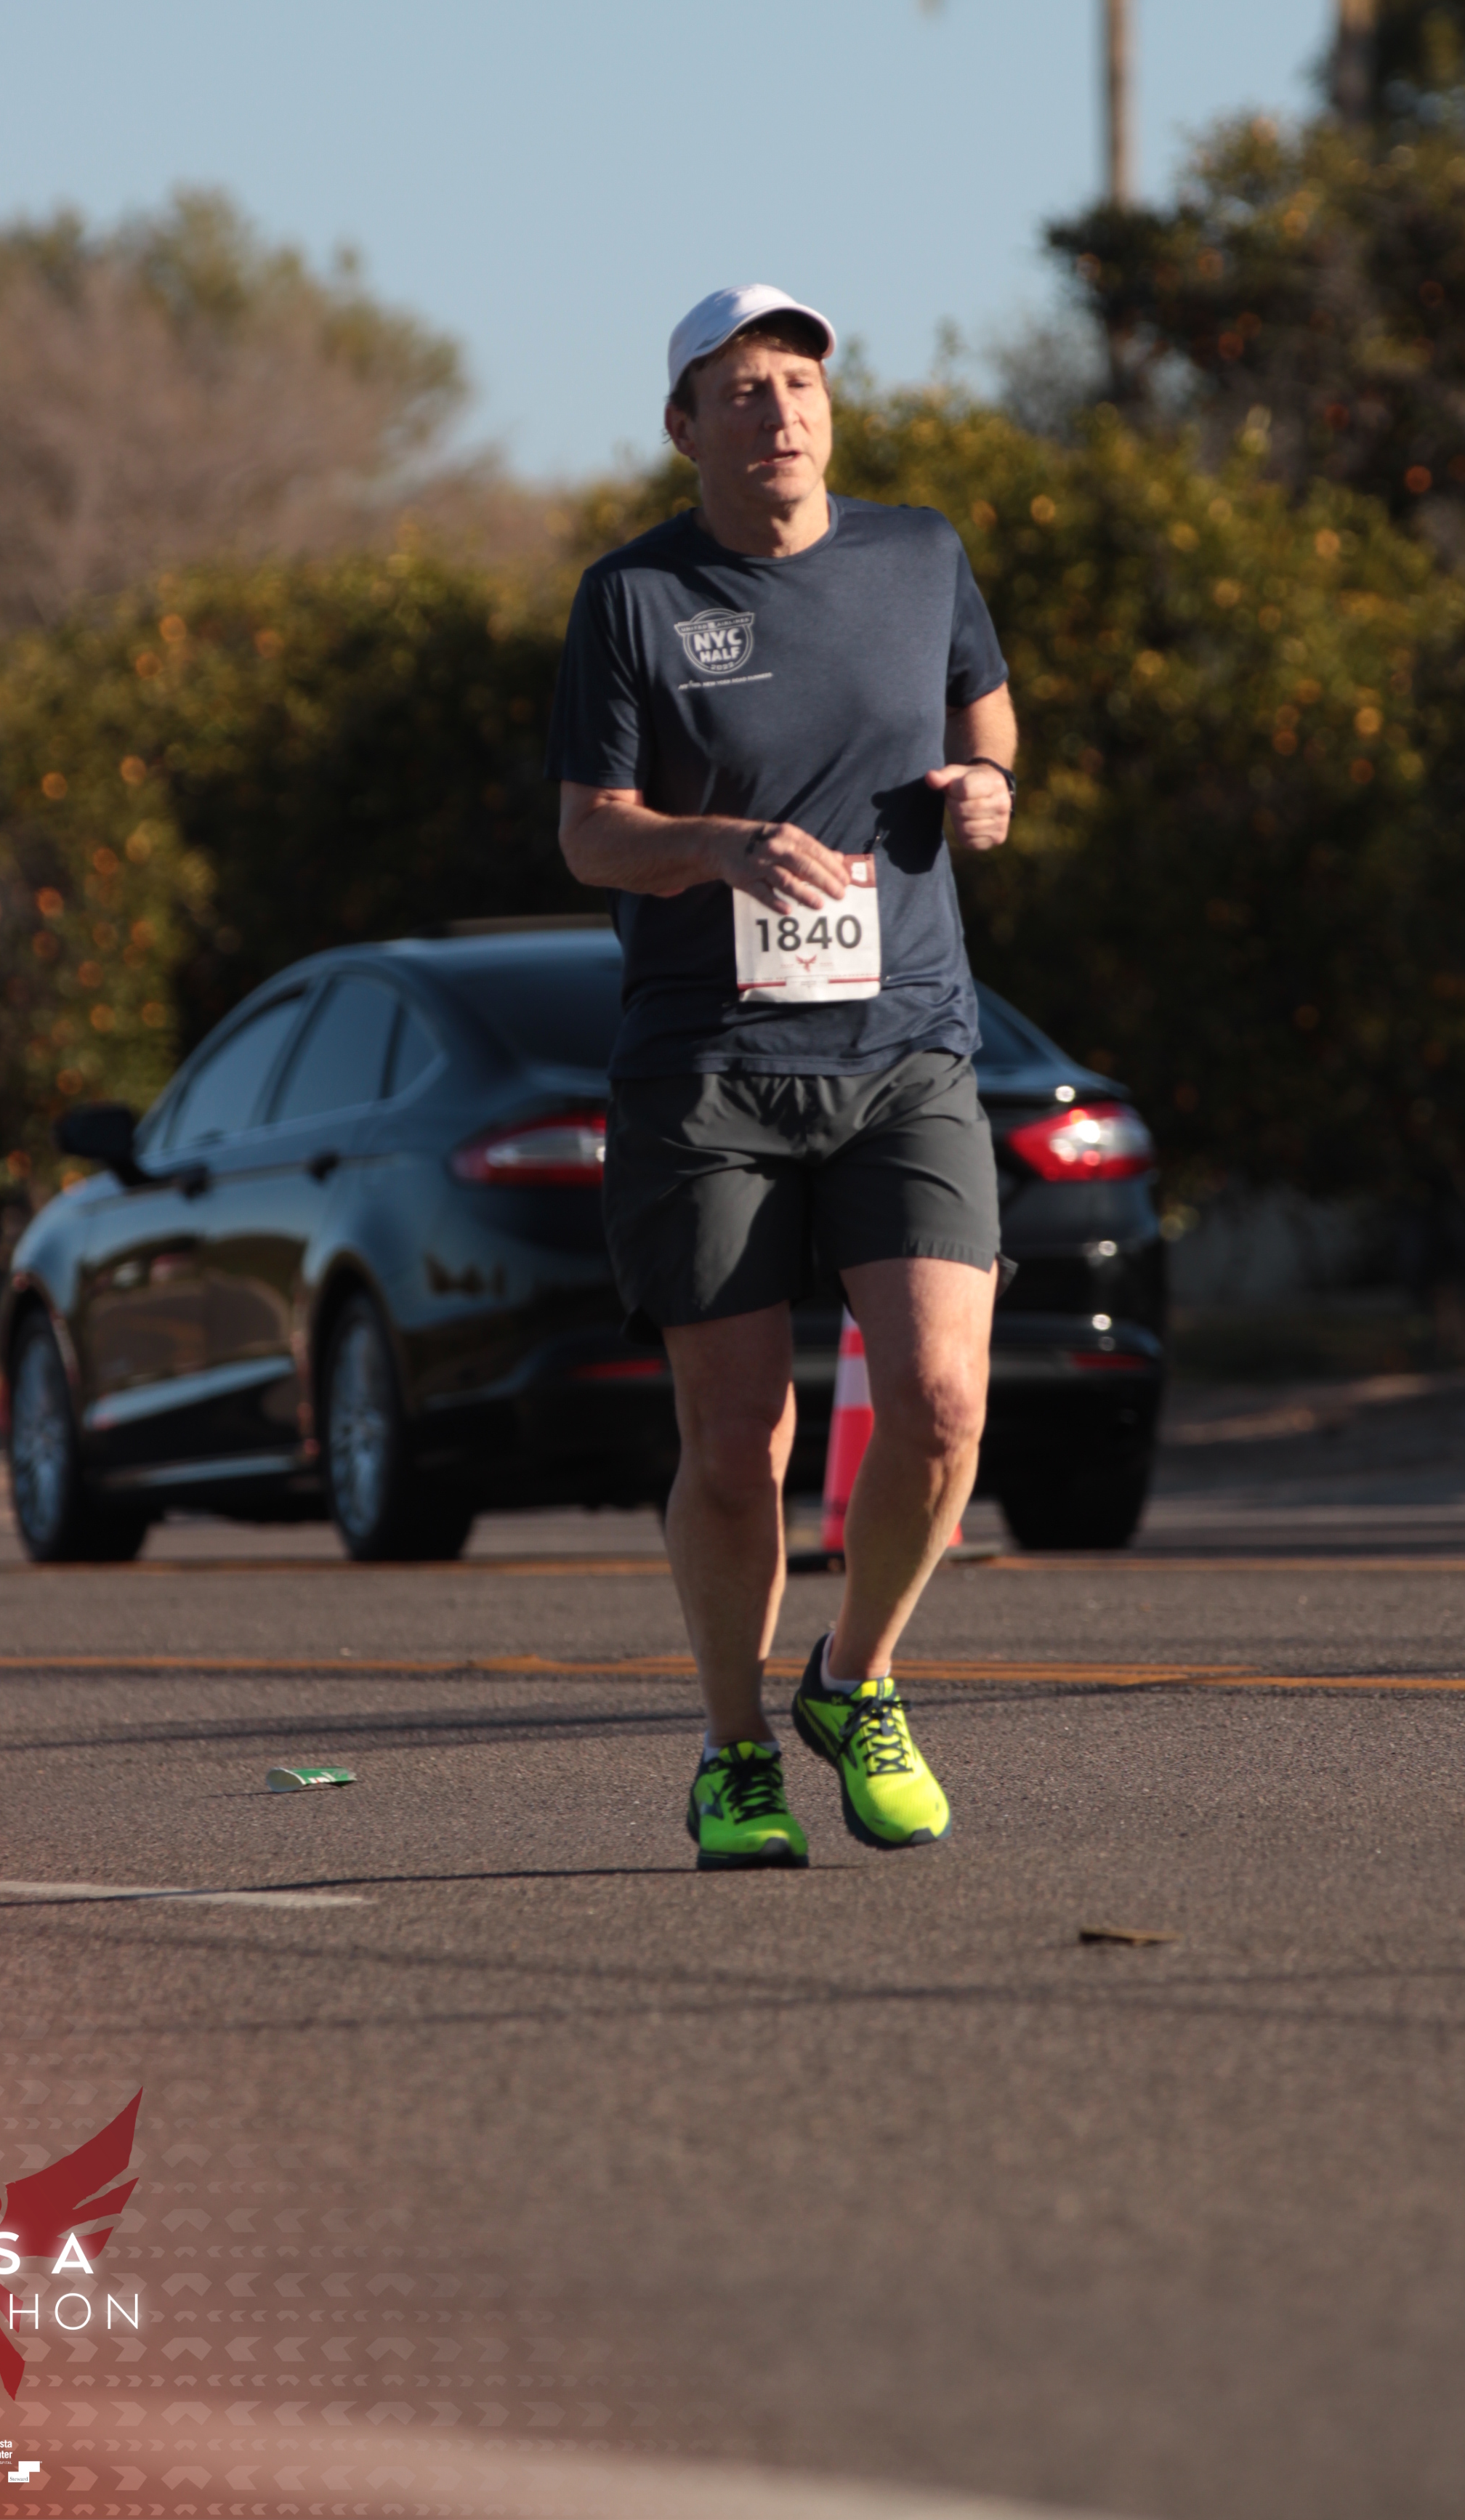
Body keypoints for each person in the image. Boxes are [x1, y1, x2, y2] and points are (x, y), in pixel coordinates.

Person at [548, 283, 1017, 1870]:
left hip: (907, 1046)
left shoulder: (919, 555)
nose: (782, 412)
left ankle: (854, 1679)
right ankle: (732, 1747)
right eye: (743, 389)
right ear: (683, 426)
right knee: (738, 1438)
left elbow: (987, 715)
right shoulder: (631, 598)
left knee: (941, 1404)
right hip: (711, 1071)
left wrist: (989, 783)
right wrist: (721, 847)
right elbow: (589, 833)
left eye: (802, 383)